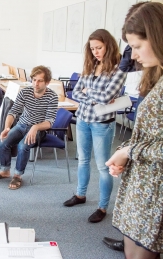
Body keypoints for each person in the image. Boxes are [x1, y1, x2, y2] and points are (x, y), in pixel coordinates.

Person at [106, 2, 163, 258]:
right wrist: (125, 150)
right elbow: (148, 133)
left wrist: (130, 151)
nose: (134, 55)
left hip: (154, 191)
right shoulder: (156, 74)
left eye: (137, 46)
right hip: (142, 187)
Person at [63, 29, 127, 223]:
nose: (95, 52)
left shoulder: (118, 69)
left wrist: (88, 92)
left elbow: (107, 97)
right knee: (83, 160)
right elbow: (75, 93)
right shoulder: (90, 66)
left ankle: (102, 207)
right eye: (92, 49)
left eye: (99, 47)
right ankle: (80, 195)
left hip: (102, 124)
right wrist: (93, 95)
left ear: (108, 45)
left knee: (103, 166)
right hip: (83, 119)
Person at [0, 65, 58, 190]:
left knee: (23, 146)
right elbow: (13, 112)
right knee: (3, 142)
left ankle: (18, 176)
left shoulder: (52, 96)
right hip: (21, 125)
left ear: (47, 82)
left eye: (40, 81)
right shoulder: (25, 92)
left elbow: (49, 122)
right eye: (34, 80)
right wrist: (7, 128)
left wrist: (35, 127)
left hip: (39, 130)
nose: (36, 83)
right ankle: (5, 171)